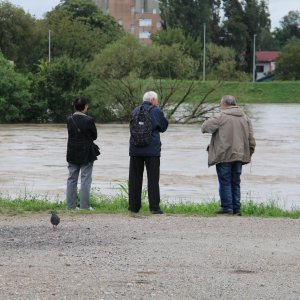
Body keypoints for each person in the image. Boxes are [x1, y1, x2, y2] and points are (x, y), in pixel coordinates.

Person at [201, 95, 256, 215]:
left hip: (224, 154)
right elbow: (251, 139)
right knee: (236, 181)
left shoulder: (221, 116)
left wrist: (211, 117)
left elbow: (204, 128)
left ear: (224, 105)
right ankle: (236, 208)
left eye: (221, 105)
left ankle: (227, 207)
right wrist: (249, 154)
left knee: (225, 180)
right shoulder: (245, 117)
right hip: (240, 155)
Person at [128, 91, 168, 214]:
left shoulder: (135, 110)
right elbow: (164, 127)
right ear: (153, 100)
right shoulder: (156, 111)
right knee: (153, 179)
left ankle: (134, 207)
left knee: (135, 179)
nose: (157, 102)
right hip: (152, 150)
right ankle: (154, 207)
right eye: (156, 100)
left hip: (135, 149)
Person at [66, 96, 98, 210]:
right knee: (85, 179)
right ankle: (84, 206)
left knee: (71, 178)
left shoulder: (70, 119)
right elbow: (94, 136)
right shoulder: (89, 120)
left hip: (72, 151)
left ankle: (70, 206)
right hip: (86, 152)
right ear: (85, 107)